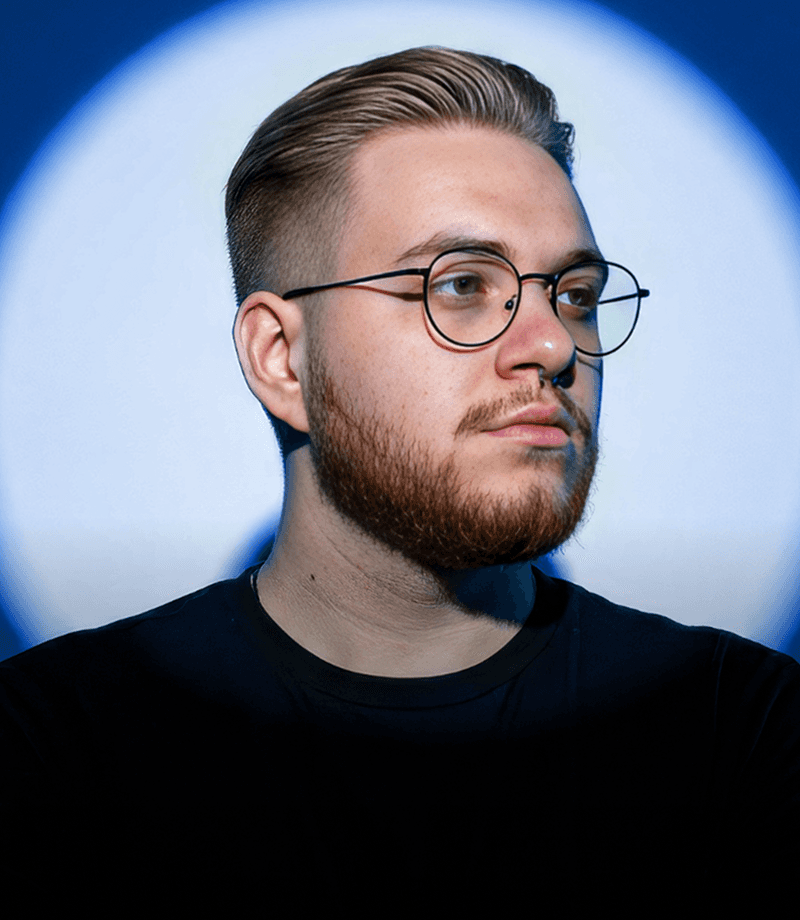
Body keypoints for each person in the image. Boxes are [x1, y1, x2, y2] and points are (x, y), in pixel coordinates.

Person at [1, 47, 798, 908]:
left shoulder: (744, 734)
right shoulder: (54, 752)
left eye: (573, 295)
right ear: (281, 358)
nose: (553, 345)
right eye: (461, 284)